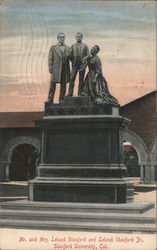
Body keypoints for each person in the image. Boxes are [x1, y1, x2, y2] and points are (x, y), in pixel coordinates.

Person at [48, 33, 70, 103]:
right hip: (56, 69)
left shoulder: (68, 48)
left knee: (63, 85)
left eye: (63, 37)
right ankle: (50, 100)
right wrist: (50, 67)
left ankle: (61, 99)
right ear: (58, 38)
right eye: (60, 37)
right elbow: (50, 58)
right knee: (52, 85)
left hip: (65, 70)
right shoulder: (53, 47)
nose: (62, 39)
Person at [67, 32, 89, 97]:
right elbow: (70, 56)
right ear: (75, 38)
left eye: (80, 36)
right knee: (72, 78)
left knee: (81, 79)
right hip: (75, 65)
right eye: (77, 36)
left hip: (82, 65)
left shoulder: (85, 46)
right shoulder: (72, 46)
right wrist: (73, 61)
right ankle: (70, 93)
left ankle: (80, 93)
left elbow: (88, 55)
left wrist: (84, 61)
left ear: (82, 37)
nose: (78, 38)